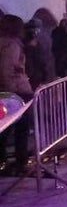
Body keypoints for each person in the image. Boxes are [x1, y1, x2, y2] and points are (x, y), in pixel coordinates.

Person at [0, 14, 34, 173]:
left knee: (7, 127)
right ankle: (20, 161)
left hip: (11, 90)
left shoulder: (7, 43)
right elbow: (8, 69)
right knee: (20, 127)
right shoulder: (11, 45)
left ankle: (6, 159)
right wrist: (13, 89)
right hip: (17, 91)